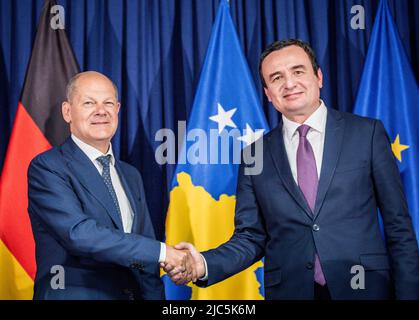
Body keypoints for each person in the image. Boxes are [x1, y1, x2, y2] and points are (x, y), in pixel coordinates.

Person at [165, 39, 419, 300]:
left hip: (366, 288)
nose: (289, 83)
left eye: (298, 71)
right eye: (276, 77)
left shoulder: (367, 134)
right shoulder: (254, 155)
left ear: (318, 77)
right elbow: (251, 237)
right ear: (267, 93)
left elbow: (398, 226)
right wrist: (203, 264)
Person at [28, 71, 193, 300]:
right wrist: (164, 252)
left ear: (117, 109)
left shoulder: (130, 175)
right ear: (67, 111)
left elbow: (144, 261)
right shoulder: (47, 167)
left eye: (108, 103)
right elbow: (79, 234)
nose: (101, 111)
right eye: (88, 103)